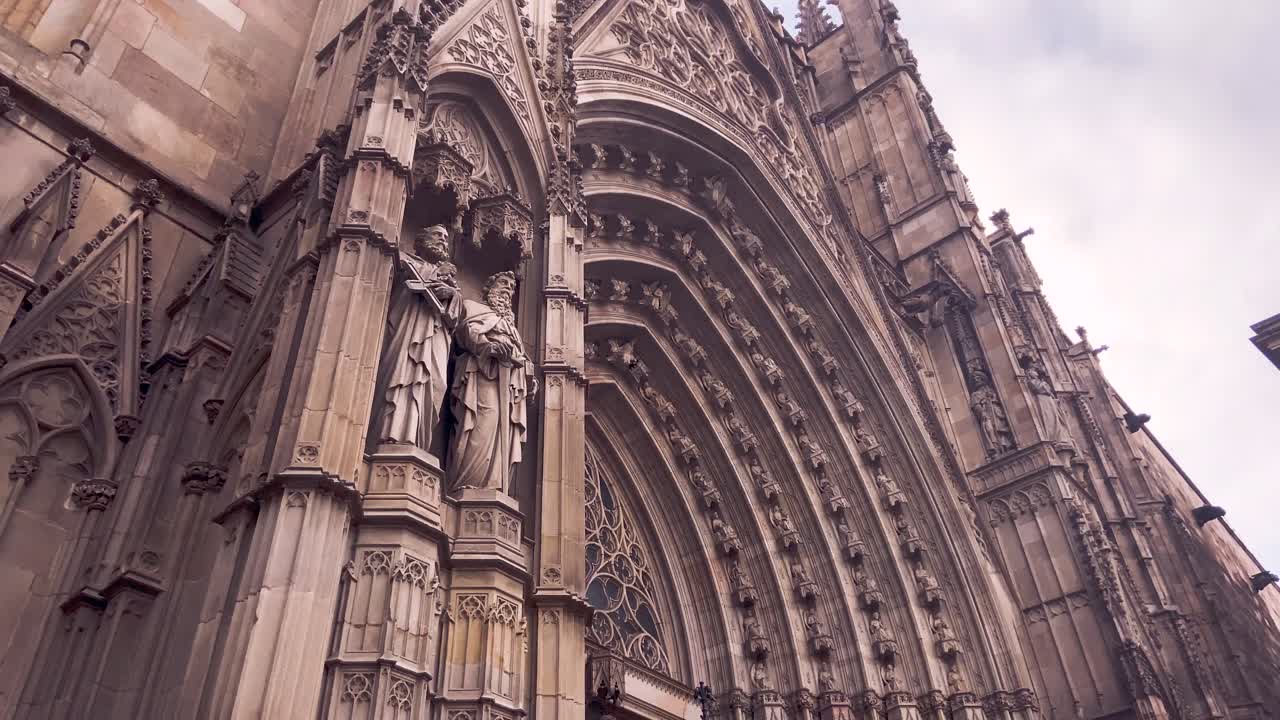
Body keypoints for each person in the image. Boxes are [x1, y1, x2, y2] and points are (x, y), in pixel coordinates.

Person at [448, 271, 537, 493]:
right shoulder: (474, 309)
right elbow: (465, 333)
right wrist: (489, 347)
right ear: (489, 289)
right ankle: (468, 484)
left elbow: (521, 359)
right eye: (503, 283)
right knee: (481, 425)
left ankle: (493, 487)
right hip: (482, 377)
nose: (508, 289)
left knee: (500, 434)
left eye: (511, 287)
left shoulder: (513, 330)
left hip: (508, 387)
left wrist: (528, 377)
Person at [375, 225, 460, 457]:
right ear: (421, 241)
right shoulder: (405, 261)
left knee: (435, 384)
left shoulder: (450, 281)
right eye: (437, 235)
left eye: (445, 238)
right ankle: (393, 435)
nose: (443, 241)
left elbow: (454, 317)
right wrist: (435, 277)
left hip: (436, 337)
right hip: (409, 331)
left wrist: (451, 293)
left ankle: (417, 441)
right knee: (403, 377)